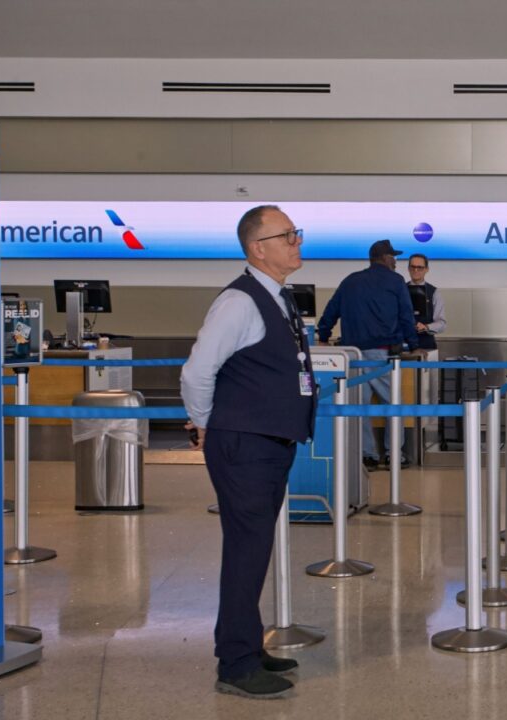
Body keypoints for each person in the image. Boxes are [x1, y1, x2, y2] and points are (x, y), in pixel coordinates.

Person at [180, 205, 315, 699]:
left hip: (266, 442)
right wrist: (203, 423)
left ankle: (246, 645)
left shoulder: (277, 297)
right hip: (245, 445)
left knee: (253, 550)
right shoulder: (239, 302)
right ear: (258, 248)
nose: (297, 242)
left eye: (296, 233)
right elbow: (197, 372)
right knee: (245, 551)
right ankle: (235, 664)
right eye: (287, 235)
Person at [317, 239, 420, 468]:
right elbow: (406, 316)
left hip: (352, 355)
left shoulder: (350, 281)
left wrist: (323, 336)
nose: (395, 261)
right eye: (393, 256)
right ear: (384, 258)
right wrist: (414, 345)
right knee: (394, 403)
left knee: (358, 406)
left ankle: (366, 455)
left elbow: (330, 311)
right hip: (382, 355)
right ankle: (394, 454)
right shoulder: (396, 281)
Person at [405, 253, 446, 353]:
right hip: (404, 346)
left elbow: (442, 323)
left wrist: (427, 327)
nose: (415, 270)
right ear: (408, 268)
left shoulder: (434, 292)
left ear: (427, 269)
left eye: (420, 267)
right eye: (413, 267)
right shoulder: (401, 290)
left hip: (427, 345)